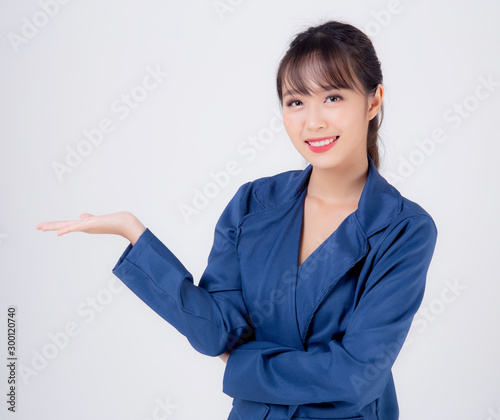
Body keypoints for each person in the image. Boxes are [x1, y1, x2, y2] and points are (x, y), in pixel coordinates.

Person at [36, 19, 438, 420]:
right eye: (296, 102)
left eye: (332, 98)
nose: (313, 121)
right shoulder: (253, 203)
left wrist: (244, 365)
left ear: (373, 101)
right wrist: (133, 231)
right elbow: (216, 332)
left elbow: (355, 376)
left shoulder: (405, 229)